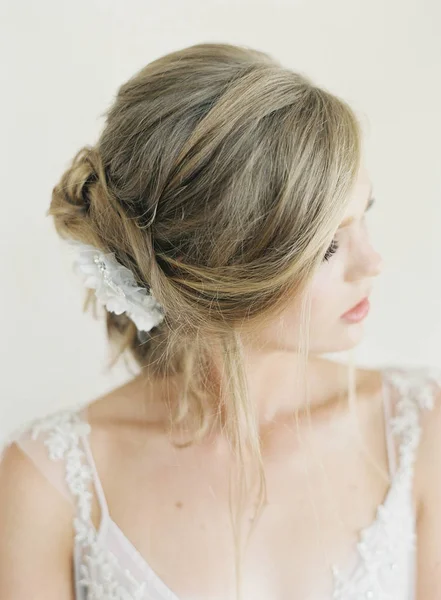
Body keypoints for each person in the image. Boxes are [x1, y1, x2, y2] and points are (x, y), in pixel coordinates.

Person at [1, 42, 440, 600]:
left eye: (364, 216)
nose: (373, 264)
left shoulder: (420, 432)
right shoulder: (49, 480)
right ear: (220, 268)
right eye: (327, 247)